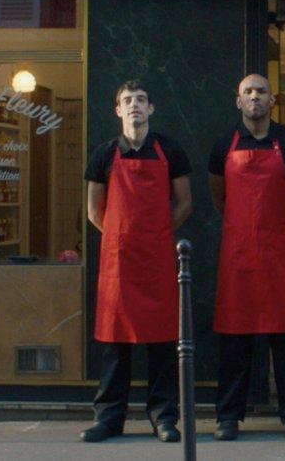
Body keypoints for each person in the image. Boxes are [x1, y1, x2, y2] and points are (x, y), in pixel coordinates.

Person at [81, 80, 192, 443]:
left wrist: (157, 233)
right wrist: (119, 235)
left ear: (151, 109)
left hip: (158, 259)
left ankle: (164, 418)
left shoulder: (170, 150)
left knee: (162, 343)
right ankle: (109, 418)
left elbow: (185, 203)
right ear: (117, 110)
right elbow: (93, 210)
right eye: (127, 100)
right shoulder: (103, 154)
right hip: (118, 263)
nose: (134, 106)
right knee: (114, 344)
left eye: (141, 100)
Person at [208, 74, 285, 442]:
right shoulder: (223, 145)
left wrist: (282, 228)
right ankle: (228, 416)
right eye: (248, 92)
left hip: (280, 255)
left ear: (273, 100)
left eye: (261, 92)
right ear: (238, 102)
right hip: (237, 257)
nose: (255, 97)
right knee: (234, 342)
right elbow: (218, 198)